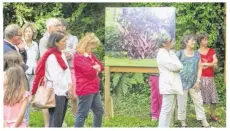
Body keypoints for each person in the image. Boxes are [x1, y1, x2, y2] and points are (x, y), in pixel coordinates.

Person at [31, 31, 72, 127]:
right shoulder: (52, 56)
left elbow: (67, 71)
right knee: (55, 122)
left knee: (59, 120)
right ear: (56, 42)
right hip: (56, 91)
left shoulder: (60, 53)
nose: (66, 43)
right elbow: (56, 77)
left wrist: (70, 84)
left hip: (64, 90)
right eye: (64, 41)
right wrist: (67, 88)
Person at [176, 34, 209, 127]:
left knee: (199, 101)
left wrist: (198, 81)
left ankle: (203, 120)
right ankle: (182, 121)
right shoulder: (179, 53)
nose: (194, 42)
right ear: (186, 42)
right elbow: (173, 65)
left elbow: (199, 68)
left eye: (194, 41)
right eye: (192, 41)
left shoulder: (197, 54)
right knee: (182, 103)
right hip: (181, 83)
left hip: (194, 83)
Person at [73, 33, 104, 127]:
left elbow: (101, 67)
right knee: (82, 114)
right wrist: (95, 68)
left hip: (94, 89)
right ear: (86, 45)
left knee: (99, 111)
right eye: (92, 47)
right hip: (85, 89)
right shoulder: (78, 57)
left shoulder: (90, 55)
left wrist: (96, 67)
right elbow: (89, 72)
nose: (93, 50)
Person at [39, 18, 62, 127]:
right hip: (47, 74)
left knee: (56, 98)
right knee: (47, 99)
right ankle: (47, 124)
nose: (59, 27)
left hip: (57, 73)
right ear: (49, 28)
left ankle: (55, 121)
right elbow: (44, 57)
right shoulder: (44, 40)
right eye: (56, 26)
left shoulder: (58, 38)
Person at [157, 34, 183, 127]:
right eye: (170, 41)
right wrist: (178, 67)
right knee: (166, 110)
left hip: (173, 83)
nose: (172, 43)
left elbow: (179, 65)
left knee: (170, 109)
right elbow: (176, 66)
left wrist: (178, 67)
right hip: (168, 84)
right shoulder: (162, 54)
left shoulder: (170, 52)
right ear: (164, 43)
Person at [197, 32, 220, 121]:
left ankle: (212, 115)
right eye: (204, 39)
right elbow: (197, 66)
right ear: (200, 41)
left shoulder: (211, 51)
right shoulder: (197, 53)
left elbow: (215, 61)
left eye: (207, 39)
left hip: (210, 77)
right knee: (200, 98)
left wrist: (206, 64)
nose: (206, 41)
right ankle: (202, 117)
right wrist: (211, 64)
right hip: (201, 77)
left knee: (213, 97)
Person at [59, 18, 79, 116]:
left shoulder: (73, 38)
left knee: (75, 96)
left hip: (71, 68)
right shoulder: (56, 38)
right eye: (59, 26)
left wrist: (70, 54)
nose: (61, 28)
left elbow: (76, 50)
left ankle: (77, 121)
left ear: (66, 27)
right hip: (60, 70)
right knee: (62, 96)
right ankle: (61, 120)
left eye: (63, 26)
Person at [21, 22, 39, 126]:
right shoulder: (20, 44)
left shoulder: (35, 44)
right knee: (22, 98)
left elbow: (35, 59)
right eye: (26, 31)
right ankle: (19, 121)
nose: (28, 34)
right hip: (23, 75)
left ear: (33, 33)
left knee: (29, 100)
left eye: (30, 32)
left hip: (33, 75)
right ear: (23, 32)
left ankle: (26, 123)